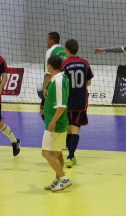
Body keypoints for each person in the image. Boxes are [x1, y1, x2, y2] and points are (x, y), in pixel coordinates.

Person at [61, 39, 94, 168]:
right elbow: (89, 82)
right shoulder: (85, 63)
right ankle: (71, 156)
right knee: (76, 127)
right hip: (81, 100)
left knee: (68, 128)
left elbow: (61, 82)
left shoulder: (64, 64)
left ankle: (69, 155)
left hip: (68, 99)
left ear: (67, 50)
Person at [42, 54, 72, 192]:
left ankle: (64, 178)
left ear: (49, 65)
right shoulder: (59, 78)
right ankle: (58, 180)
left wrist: (53, 121)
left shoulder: (58, 81)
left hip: (56, 123)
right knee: (57, 152)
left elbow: (61, 106)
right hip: (58, 121)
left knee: (46, 152)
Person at [40, 32, 67, 120]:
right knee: (61, 108)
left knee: (44, 111)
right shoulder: (64, 50)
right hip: (64, 83)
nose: (46, 41)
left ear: (51, 41)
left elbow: (48, 73)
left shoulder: (50, 51)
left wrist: (45, 88)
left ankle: (51, 126)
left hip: (53, 84)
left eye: (47, 39)